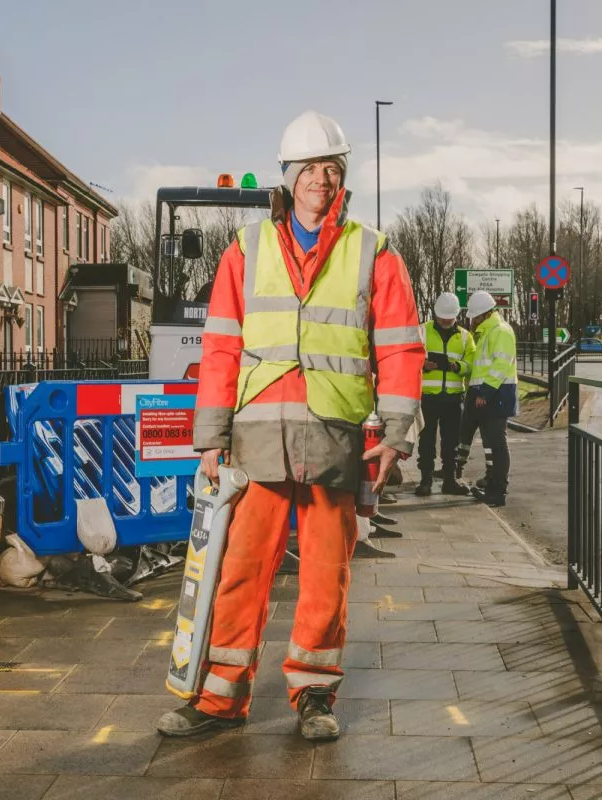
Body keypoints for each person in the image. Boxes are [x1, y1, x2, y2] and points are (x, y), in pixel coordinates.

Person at [157, 110, 424, 742]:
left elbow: (400, 349)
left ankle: (314, 695)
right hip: (257, 440)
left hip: (335, 438)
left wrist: (395, 435)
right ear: (288, 175)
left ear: (342, 179)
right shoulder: (245, 251)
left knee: (325, 573)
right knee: (241, 568)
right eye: (309, 169)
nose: (320, 181)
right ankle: (220, 698)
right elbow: (220, 346)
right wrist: (211, 441)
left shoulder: (374, 251)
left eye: (331, 169)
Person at [415, 292, 475, 496]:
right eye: (442, 317)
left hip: (453, 397)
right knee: (426, 442)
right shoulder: (422, 331)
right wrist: (423, 365)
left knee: (451, 442)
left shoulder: (466, 337)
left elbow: (471, 364)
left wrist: (457, 366)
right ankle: (425, 481)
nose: (445, 321)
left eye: (449, 318)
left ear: (456, 315)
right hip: (427, 396)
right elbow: (410, 357)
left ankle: (450, 481)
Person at [463, 291, 518, 507]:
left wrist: (484, 392)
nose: (473, 320)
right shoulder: (488, 332)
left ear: (485, 314)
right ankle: (493, 486)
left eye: (475, 316)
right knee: (493, 443)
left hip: (496, 395)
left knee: (498, 444)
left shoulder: (500, 331)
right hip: (491, 394)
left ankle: (498, 491)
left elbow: (501, 365)